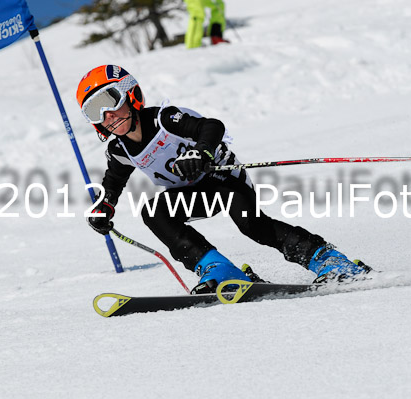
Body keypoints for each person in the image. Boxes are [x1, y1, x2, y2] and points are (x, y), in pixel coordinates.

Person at [77, 65, 370, 293]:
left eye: (109, 101)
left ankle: (330, 260)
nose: (107, 115)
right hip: (193, 194)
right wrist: (105, 207)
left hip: (222, 179)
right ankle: (220, 270)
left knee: (253, 226)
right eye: (94, 111)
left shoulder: (164, 120)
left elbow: (211, 126)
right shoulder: (120, 149)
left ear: (129, 93)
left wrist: (201, 153)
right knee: (154, 212)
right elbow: (113, 183)